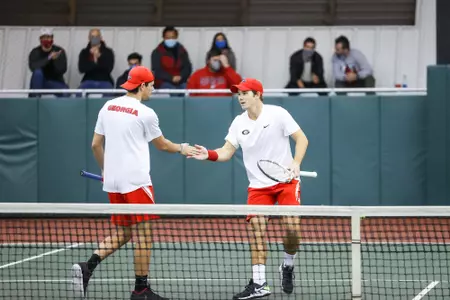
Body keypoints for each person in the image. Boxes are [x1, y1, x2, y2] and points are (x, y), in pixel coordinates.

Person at [71, 66, 195, 300]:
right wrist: (182, 148)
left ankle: (87, 267)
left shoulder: (107, 106)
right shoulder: (145, 113)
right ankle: (141, 290)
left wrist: (105, 171)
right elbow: (162, 145)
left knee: (126, 232)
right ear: (142, 86)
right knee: (144, 235)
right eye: (151, 85)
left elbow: (96, 145)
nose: (153, 89)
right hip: (137, 181)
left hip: (114, 182)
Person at [188, 78, 309, 299]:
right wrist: (210, 154)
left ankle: (288, 265)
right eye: (238, 94)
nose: (240, 97)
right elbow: (226, 151)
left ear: (257, 94)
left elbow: (301, 139)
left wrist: (296, 162)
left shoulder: (278, 114)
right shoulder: (238, 123)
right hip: (258, 187)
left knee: (292, 229)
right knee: (257, 231)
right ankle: (260, 283)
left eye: (244, 93)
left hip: (286, 182)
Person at [28, 28, 69, 97]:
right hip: (39, 83)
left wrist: (55, 60)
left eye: (48, 37)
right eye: (44, 38)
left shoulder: (59, 50)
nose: (46, 40)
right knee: (38, 73)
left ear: (52, 38)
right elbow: (33, 67)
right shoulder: (35, 52)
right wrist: (48, 58)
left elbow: (62, 70)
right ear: (40, 39)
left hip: (55, 82)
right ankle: (35, 103)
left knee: (66, 92)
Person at [151, 26, 192, 91]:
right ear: (163, 38)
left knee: (187, 90)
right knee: (171, 91)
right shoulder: (157, 52)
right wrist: (171, 78)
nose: (170, 39)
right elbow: (157, 71)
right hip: (163, 82)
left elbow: (187, 67)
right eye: (168, 38)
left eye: (173, 37)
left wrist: (181, 76)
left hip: (180, 81)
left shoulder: (182, 51)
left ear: (176, 37)